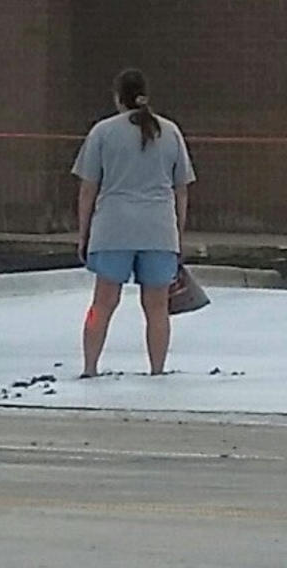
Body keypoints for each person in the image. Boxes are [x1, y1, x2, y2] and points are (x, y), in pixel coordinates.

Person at [71, 68, 196, 377]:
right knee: (156, 307)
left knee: (102, 303)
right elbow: (181, 189)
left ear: (118, 98)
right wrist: (177, 234)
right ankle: (157, 370)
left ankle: (90, 368)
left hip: (113, 229)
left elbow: (88, 188)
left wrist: (83, 233)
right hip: (158, 231)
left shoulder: (102, 132)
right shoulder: (170, 132)